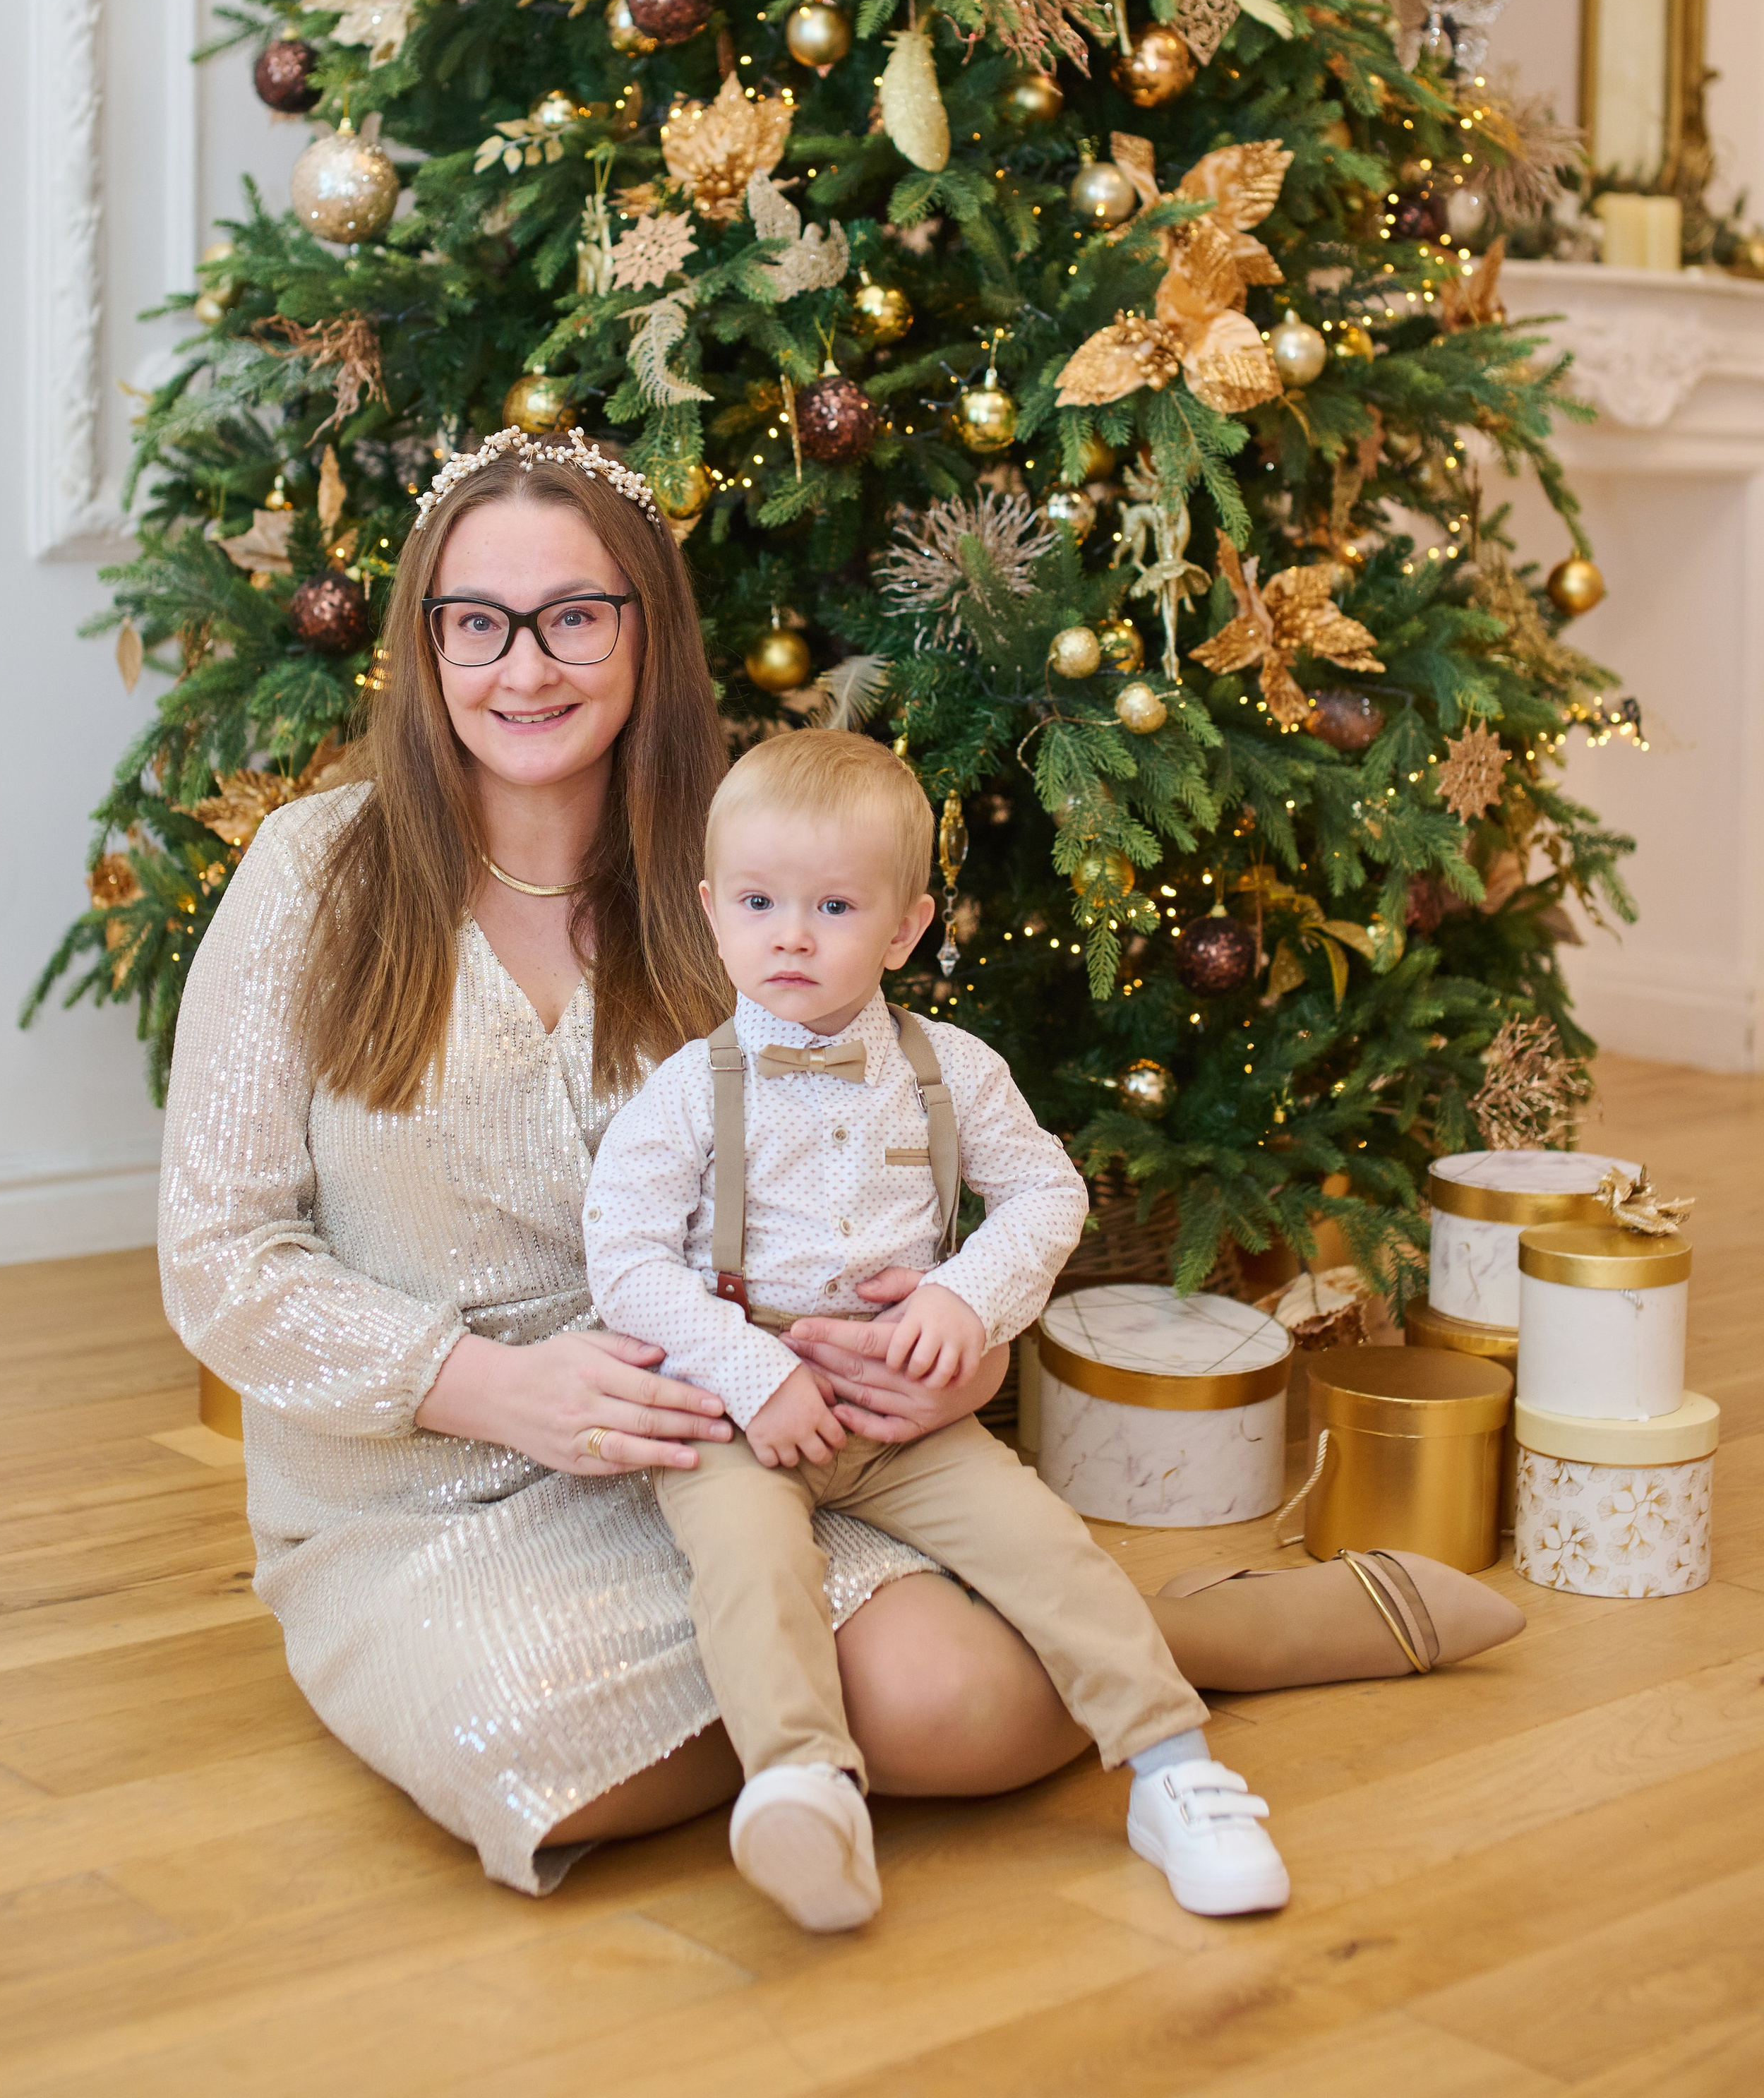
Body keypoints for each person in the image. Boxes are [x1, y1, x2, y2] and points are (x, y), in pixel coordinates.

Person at [160, 425, 1521, 1900]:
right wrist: (492, 1385)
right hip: (418, 1488)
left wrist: (946, 1344)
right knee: (533, 1753)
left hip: (743, 1434)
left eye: (575, 616)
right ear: (425, 640)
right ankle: (1114, 1636)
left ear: (644, 630)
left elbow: (894, 1172)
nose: (525, 665)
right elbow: (221, 1255)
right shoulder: (312, 871)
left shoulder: (754, 873)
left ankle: (1174, 1636)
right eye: (477, 621)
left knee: (971, 1713)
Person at [585, 729, 1288, 1930]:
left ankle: (1174, 1771)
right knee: (753, 1566)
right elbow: (626, 1259)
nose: (791, 935)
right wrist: (753, 1375)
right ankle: (804, 1785)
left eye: (834, 906)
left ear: (906, 929)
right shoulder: (687, 1091)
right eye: (758, 902)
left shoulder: (949, 1066)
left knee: (1048, 1546)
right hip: (741, 1407)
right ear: (712, 913)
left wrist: (965, 1301)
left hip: (904, 1413)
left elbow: (1047, 1194)